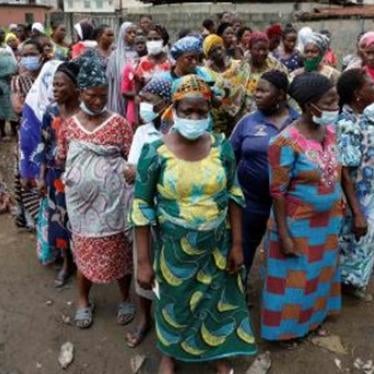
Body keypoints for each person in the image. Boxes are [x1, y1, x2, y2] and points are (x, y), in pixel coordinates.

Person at [130, 74, 256, 374]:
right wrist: (144, 263)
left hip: (217, 247)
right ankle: (170, 354)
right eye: (187, 111)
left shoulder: (221, 148)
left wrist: (238, 245)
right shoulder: (154, 152)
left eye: (202, 111)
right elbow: (142, 208)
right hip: (174, 252)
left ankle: (217, 353)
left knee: (216, 301)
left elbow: (235, 196)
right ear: (173, 110)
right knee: (175, 302)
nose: (195, 117)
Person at [262, 72, 342, 343]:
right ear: (310, 106)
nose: (336, 107)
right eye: (330, 102)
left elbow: (338, 174)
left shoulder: (330, 132)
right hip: (297, 225)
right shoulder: (284, 142)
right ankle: (288, 332)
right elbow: (278, 191)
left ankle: (314, 320)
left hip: (328, 222)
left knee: (319, 275)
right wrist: (284, 234)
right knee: (293, 280)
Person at [57, 52, 134, 329]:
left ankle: (125, 298)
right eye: (91, 95)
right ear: (80, 92)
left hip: (113, 207)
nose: (98, 101)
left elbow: (129, 158)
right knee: (85, 253)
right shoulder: (68, 127)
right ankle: (82, 301)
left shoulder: (119, 125)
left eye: (103, 95)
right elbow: (63, 159)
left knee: (119, 253)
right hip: (82, 208)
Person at [230, 70, 299, 276]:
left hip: (288, 204)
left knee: (284, 250)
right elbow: (229, 157)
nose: (256, 94)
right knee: (244, 248)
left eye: (263, 91)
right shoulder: (247, 122)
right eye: (256, 90)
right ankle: (239, 292)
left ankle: (281, 299)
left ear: (280, 95)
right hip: (251, 201)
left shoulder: (298, 123)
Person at [125, 76, 172, 348]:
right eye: (141, 99)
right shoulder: (143, 132)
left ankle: (172, 323)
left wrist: (143, 172)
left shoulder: (180, 131)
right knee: (143, 265)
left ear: (165, 103)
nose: (143, 105)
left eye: (149, 101)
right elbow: (131, 173)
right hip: (146, 211)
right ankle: (145, 318)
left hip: (173, 213)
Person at [34, 61, 80, 282]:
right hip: (55, 176)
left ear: (74, 87)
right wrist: (41, 176)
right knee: (59, 220)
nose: (55, 89)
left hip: (79, 175)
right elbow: (43, 144)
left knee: (79, 219)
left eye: (61, 85)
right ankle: (67, 262)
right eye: (53, 85)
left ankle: (83, 262)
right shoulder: (51, 112)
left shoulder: (84, 114)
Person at [336, 68, 374, 301]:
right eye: (370, 84)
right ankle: (345, 288)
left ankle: (352, 284)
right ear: (357, 94)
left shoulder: (365, 119)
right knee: (353, 240)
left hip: (367, 197)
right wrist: (357, 211)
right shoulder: (347, 124)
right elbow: (345, 173)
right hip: (356, 201)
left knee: (361, 243)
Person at [11, 39, 44, 230]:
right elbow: (18, 107)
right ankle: (31, 217)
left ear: (41, 55)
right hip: (27, 135)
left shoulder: (48, 78)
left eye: (33, 53)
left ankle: (44, 215)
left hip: (46, 135)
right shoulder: (18, 80)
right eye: (25, 55)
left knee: (44, 172)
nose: (29, 58)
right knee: (26, 174)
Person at [201, 34, 252, 136]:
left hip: (242, 113)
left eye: (220, 48)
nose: (218, 52)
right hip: (219, 120)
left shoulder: (237, 66)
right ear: (208, 55)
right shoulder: (205, 73)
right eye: (213, 51)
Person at [246, 32, 288, 111]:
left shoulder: (276, 66)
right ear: (250, 49)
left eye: (264, 49)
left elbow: (286, 88)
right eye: (257, 49)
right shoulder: (241, 67)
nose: (261, 53)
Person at [107, 21, 138, 115]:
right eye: (129, 32)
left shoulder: (136, 54)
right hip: (118, 94)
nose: (132, 35)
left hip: (133, 95)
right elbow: (109, 79)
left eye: (134, 33)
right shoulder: (115, 55)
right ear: (122, 34)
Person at [0, 28, 17, 140]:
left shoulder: (7, 47)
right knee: (1, 108)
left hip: (10, 80)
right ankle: (3, 133)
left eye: (2, 33)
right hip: (0, 81)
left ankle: (14, 131)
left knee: (12, 106)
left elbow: (14, 61)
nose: (2, 34)